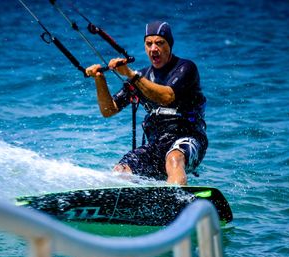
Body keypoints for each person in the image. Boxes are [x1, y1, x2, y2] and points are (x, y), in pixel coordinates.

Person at [85, 21, 208, 185]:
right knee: (121, 170)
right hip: (157, 144)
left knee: (173, 159)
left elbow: (166, 97)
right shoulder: (141, 75)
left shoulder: (185, 68)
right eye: (149, 44)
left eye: (159, 43)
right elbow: (109, 110)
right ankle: (122, 203)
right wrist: (99, 79)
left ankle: (175, 202)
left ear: (169, 45)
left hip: (188, 139)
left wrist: (130, 74)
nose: (153, 48)